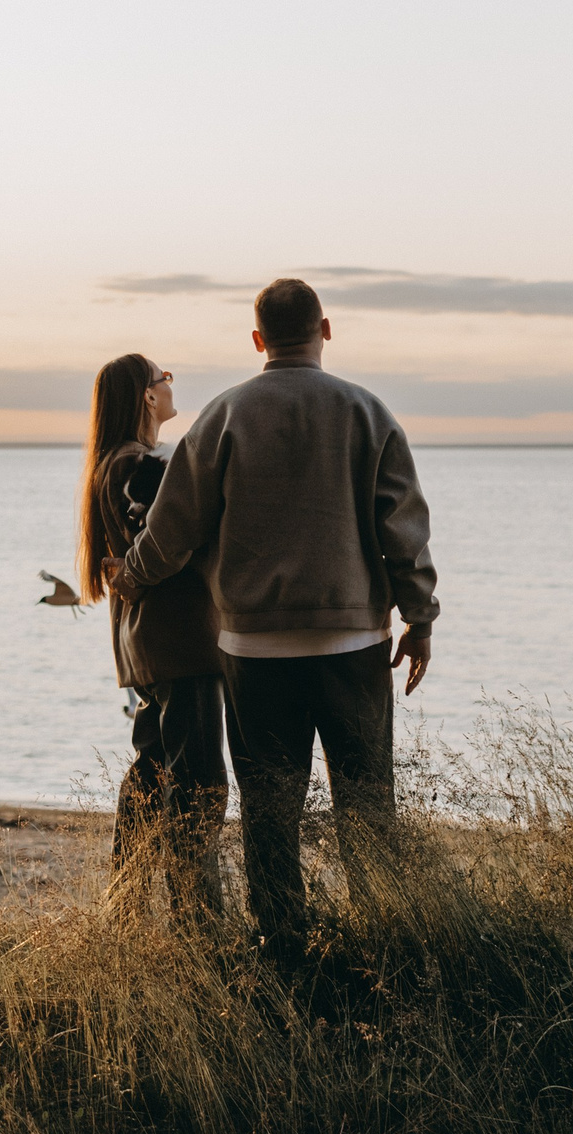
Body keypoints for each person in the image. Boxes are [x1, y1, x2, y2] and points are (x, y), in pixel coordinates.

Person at [111, 279, 439, 957]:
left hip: (254, 651)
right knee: (367, 806)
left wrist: (135, 579)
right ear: (326, 327)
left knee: (270, 813)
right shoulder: (368, 412)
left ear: (258, 339)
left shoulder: (223, 417)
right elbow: (401, 525)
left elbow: (172, 528)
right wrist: (420, 615)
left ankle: (284, 951)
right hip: (354, 644)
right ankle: (386, 949)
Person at [78, 352, 228, 926]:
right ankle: (197, 917)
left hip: (149, 643)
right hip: (178, 641)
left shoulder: (118, 463)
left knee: (153, 768)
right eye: (165, 379)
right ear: (147, 395)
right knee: (200, 780)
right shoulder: (137, 465)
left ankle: (128, 905)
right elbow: (174, 544)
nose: (171, 387)